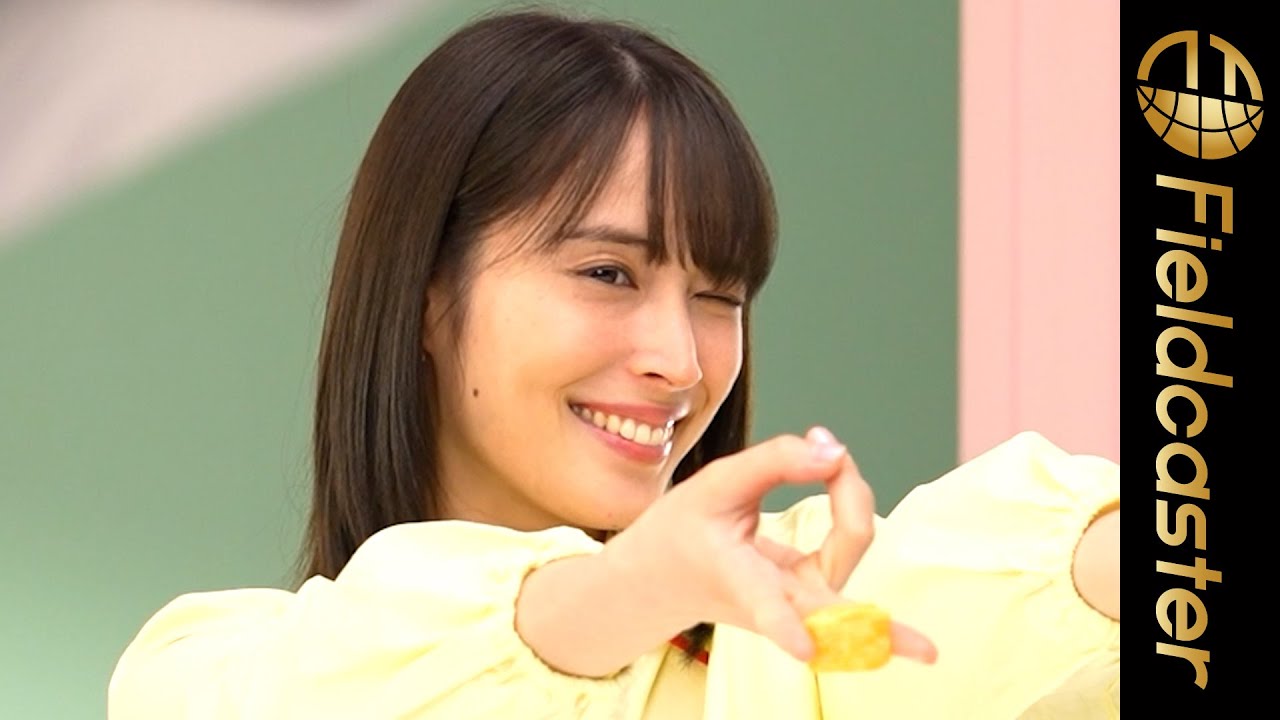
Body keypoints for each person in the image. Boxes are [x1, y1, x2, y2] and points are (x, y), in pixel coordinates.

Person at [108, 9, 1119, 719]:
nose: (678, 360)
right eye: (606, 273)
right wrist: (632, 588)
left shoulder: (792, 639)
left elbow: (976, 593)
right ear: (425, 294)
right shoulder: (208, 673)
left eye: (719, 295)